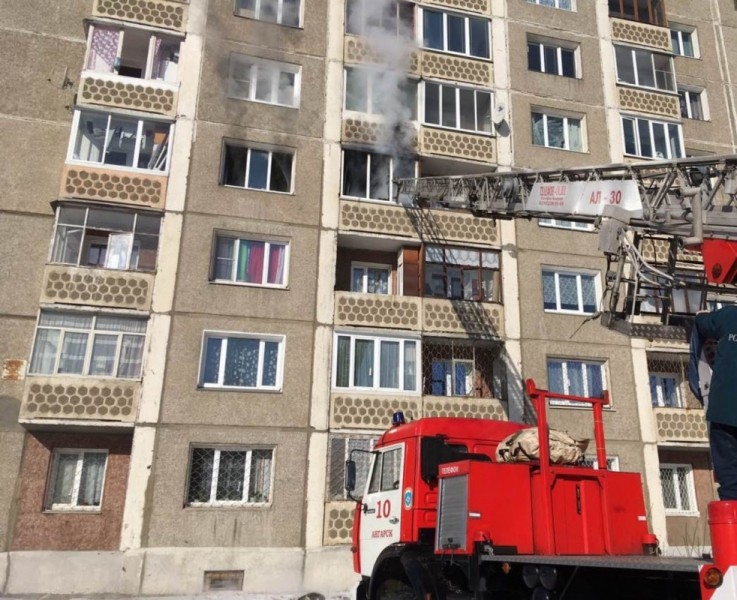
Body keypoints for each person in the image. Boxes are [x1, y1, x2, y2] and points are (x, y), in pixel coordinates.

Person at [693, 306, 737, 501]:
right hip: (724, 412)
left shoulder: (729, 316)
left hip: (724, 412)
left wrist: (701, 315)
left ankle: (732, 515)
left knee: (730, 479)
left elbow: (702, 322)